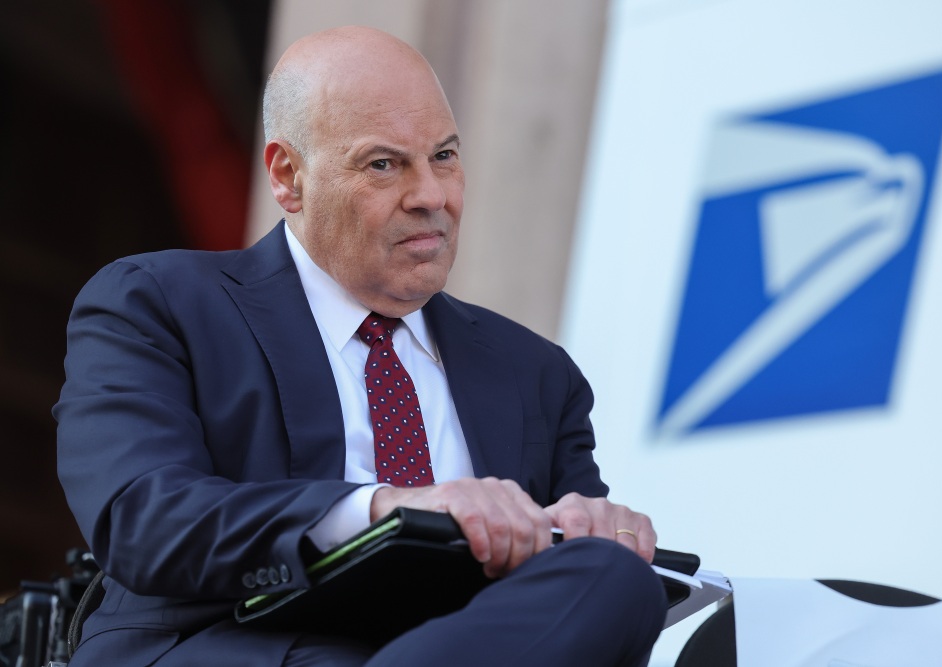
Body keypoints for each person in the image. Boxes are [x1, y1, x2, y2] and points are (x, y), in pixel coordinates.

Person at [55, 26, 668, 667]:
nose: (432, 196)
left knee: (615, 579)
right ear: (289, 177)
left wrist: (589, 531)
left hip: (452, 649)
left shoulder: (537, 373)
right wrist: (384, 507)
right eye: (383, 164)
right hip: (231, 646)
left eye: (445, 156)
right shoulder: (159, 302)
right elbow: (145, 520)